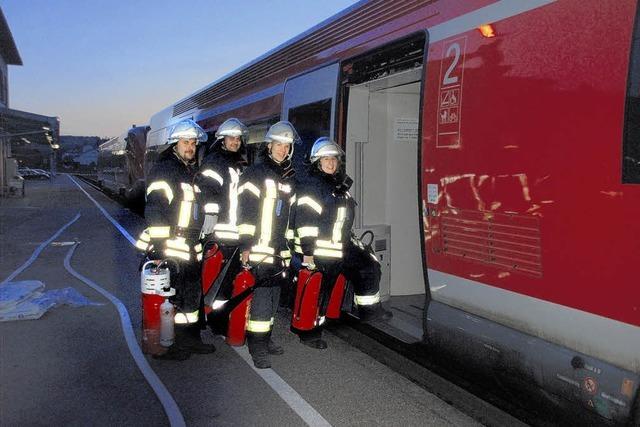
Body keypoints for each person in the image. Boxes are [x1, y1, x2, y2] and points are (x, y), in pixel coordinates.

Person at [292, 137, 391, 349]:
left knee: (369, 266)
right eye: (325, 159)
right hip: (321, 249)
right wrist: (308, 255)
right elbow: (306, 222)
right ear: (317, 162)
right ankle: (309, 332)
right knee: (319, 291)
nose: (330, 163)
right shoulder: (312, 187)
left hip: (343, 245)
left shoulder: (339, 185)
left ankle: (369, 311)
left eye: (333, 159)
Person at [136, 119, 215, 360]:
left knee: (191, 298)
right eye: (185, 142)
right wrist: (160, 250)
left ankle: (190, 339)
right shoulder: (166, 170)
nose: (190, 147)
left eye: (193, 143)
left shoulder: (188, 170)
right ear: (174, 144)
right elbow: (156, 210)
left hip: (190, 247)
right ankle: (170, 344)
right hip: (171, 247)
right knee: (174, 299)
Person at [237, 121, 297, 369]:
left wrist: (293, 248)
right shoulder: (255, 173)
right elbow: (246, 212)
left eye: (287, 146)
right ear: (269, 145)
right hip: (260, 249)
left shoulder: (288, 179)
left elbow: (290, 218)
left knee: (273, 298)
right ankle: (257, 348)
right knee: (261, 300)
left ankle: (267, 338)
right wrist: (246, 245)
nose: (282, 150)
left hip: (280, 252)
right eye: (278, 145)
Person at [196, 118, 248, 326]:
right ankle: (208, 320)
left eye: (238, 139)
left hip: (234, 234)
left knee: (225, 284)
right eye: (231, 138)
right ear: (222, 139)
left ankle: (219, 321)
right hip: (219, 234)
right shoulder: (215, 162)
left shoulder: (237, 164)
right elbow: (206, 189)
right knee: (212, 281)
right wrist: (211, 214)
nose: (235, 142)